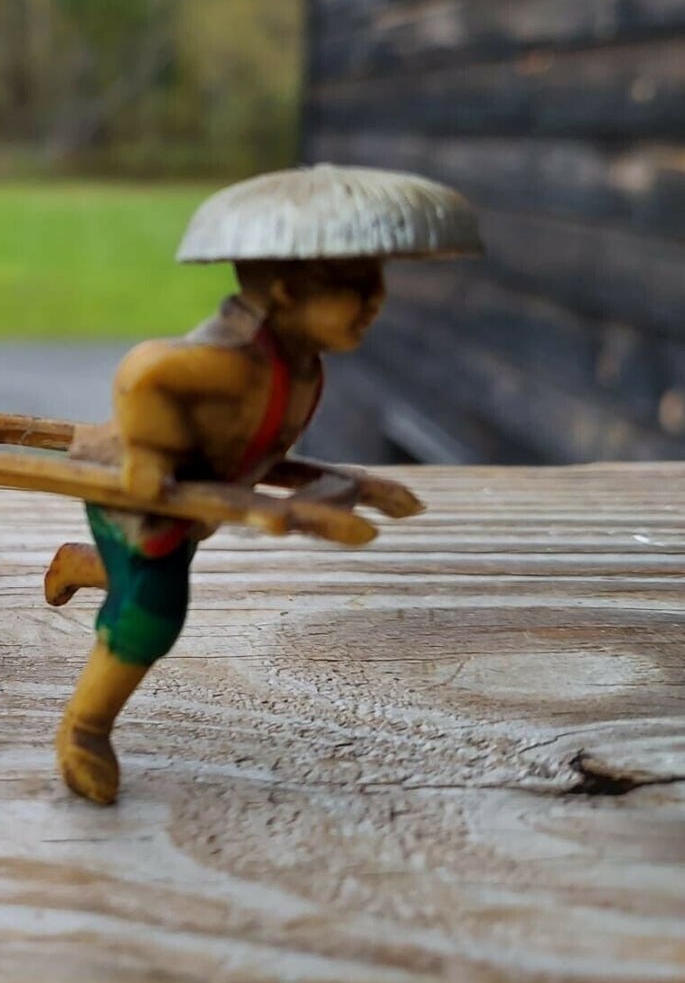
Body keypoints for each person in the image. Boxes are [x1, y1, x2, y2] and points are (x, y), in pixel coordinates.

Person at [46, 165, 481, 804]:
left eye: (379, 280)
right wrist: (147, 455)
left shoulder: (296, 358)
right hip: (131, 497)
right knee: (153, 616)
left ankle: (82, 567)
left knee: (153, 567)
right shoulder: (233, 362)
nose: (375, 300)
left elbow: (257, 451)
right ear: (282, 291)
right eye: (353, 285)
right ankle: (84, 730)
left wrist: (355, 486)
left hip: (190, 501)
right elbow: (142, 375)